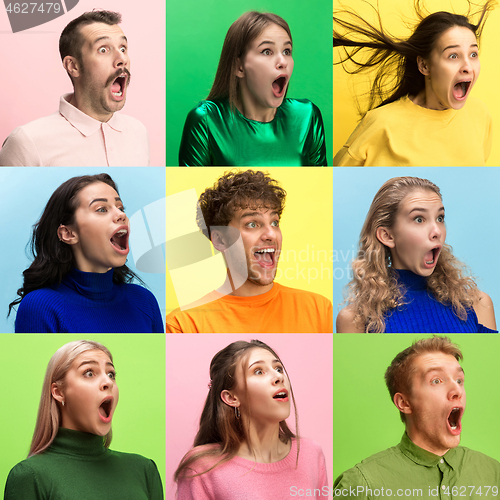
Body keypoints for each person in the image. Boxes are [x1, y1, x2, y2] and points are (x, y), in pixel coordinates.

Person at [166, 169, 333, 333]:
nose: (270, 234)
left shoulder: (319, 309)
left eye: (274, 222)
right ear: (220, 240)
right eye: (252, 224)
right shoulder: (184, 324)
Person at [334, 337, 500, 498]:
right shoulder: (361, 485)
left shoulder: (494, 473)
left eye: (459, 380)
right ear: (404, 402)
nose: (457, 390)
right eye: (436, 381)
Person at [333, 1, 495, 166]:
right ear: (424, 65)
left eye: (473, 54)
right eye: (453, 56)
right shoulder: (381, 124)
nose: (468, 67)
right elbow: (333, 185)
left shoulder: (480, 114)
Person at [4, 340, 163, 499]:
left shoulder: (144, 470)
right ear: (58, 392)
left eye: (111, 374)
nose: (108, 382)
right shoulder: (29, 476)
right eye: (89, 373)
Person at [336, 176, 496, 333]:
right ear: (387, 236)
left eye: (440, 218)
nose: (437, 231)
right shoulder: (356, 319)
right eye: (419, 219)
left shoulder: (477, 304)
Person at [9, 173, 164, 333]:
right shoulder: (40, 307)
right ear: (68, 234)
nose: (121, 215)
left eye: (120, 208)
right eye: (102, 209)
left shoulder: (144, 301)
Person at [175, 339, 328, 499]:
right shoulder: (201, 468)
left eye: (278, 368)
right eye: (258, 371)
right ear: (231, 397)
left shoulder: (311, 453)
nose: (278, 377)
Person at [0, 10, 149, 167]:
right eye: (103, 49)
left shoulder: (138, 132)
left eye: (123, 48)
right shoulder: (27, 142)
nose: (122, 59)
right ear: (73, 66)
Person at [179, 11, 327, 166]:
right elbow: (189, 189)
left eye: (286, 51)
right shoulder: (206, 120)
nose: (283, 61)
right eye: (267, 51)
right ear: (239, 67)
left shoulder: (307, 116)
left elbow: (322, 187)